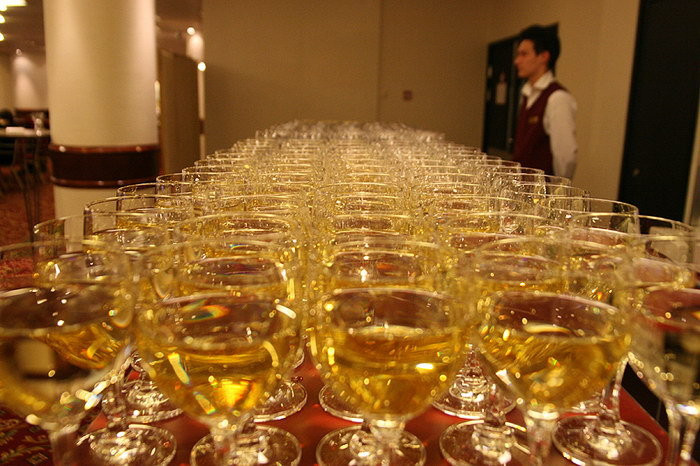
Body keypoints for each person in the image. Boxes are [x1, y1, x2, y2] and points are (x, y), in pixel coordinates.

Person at [512, 25, 577, 178]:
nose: (517, 61)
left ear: (543, 56)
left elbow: (566, 156)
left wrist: (558, 189)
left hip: (542, 188)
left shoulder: (557, 98)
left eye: (524, 54)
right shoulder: (527, 94)